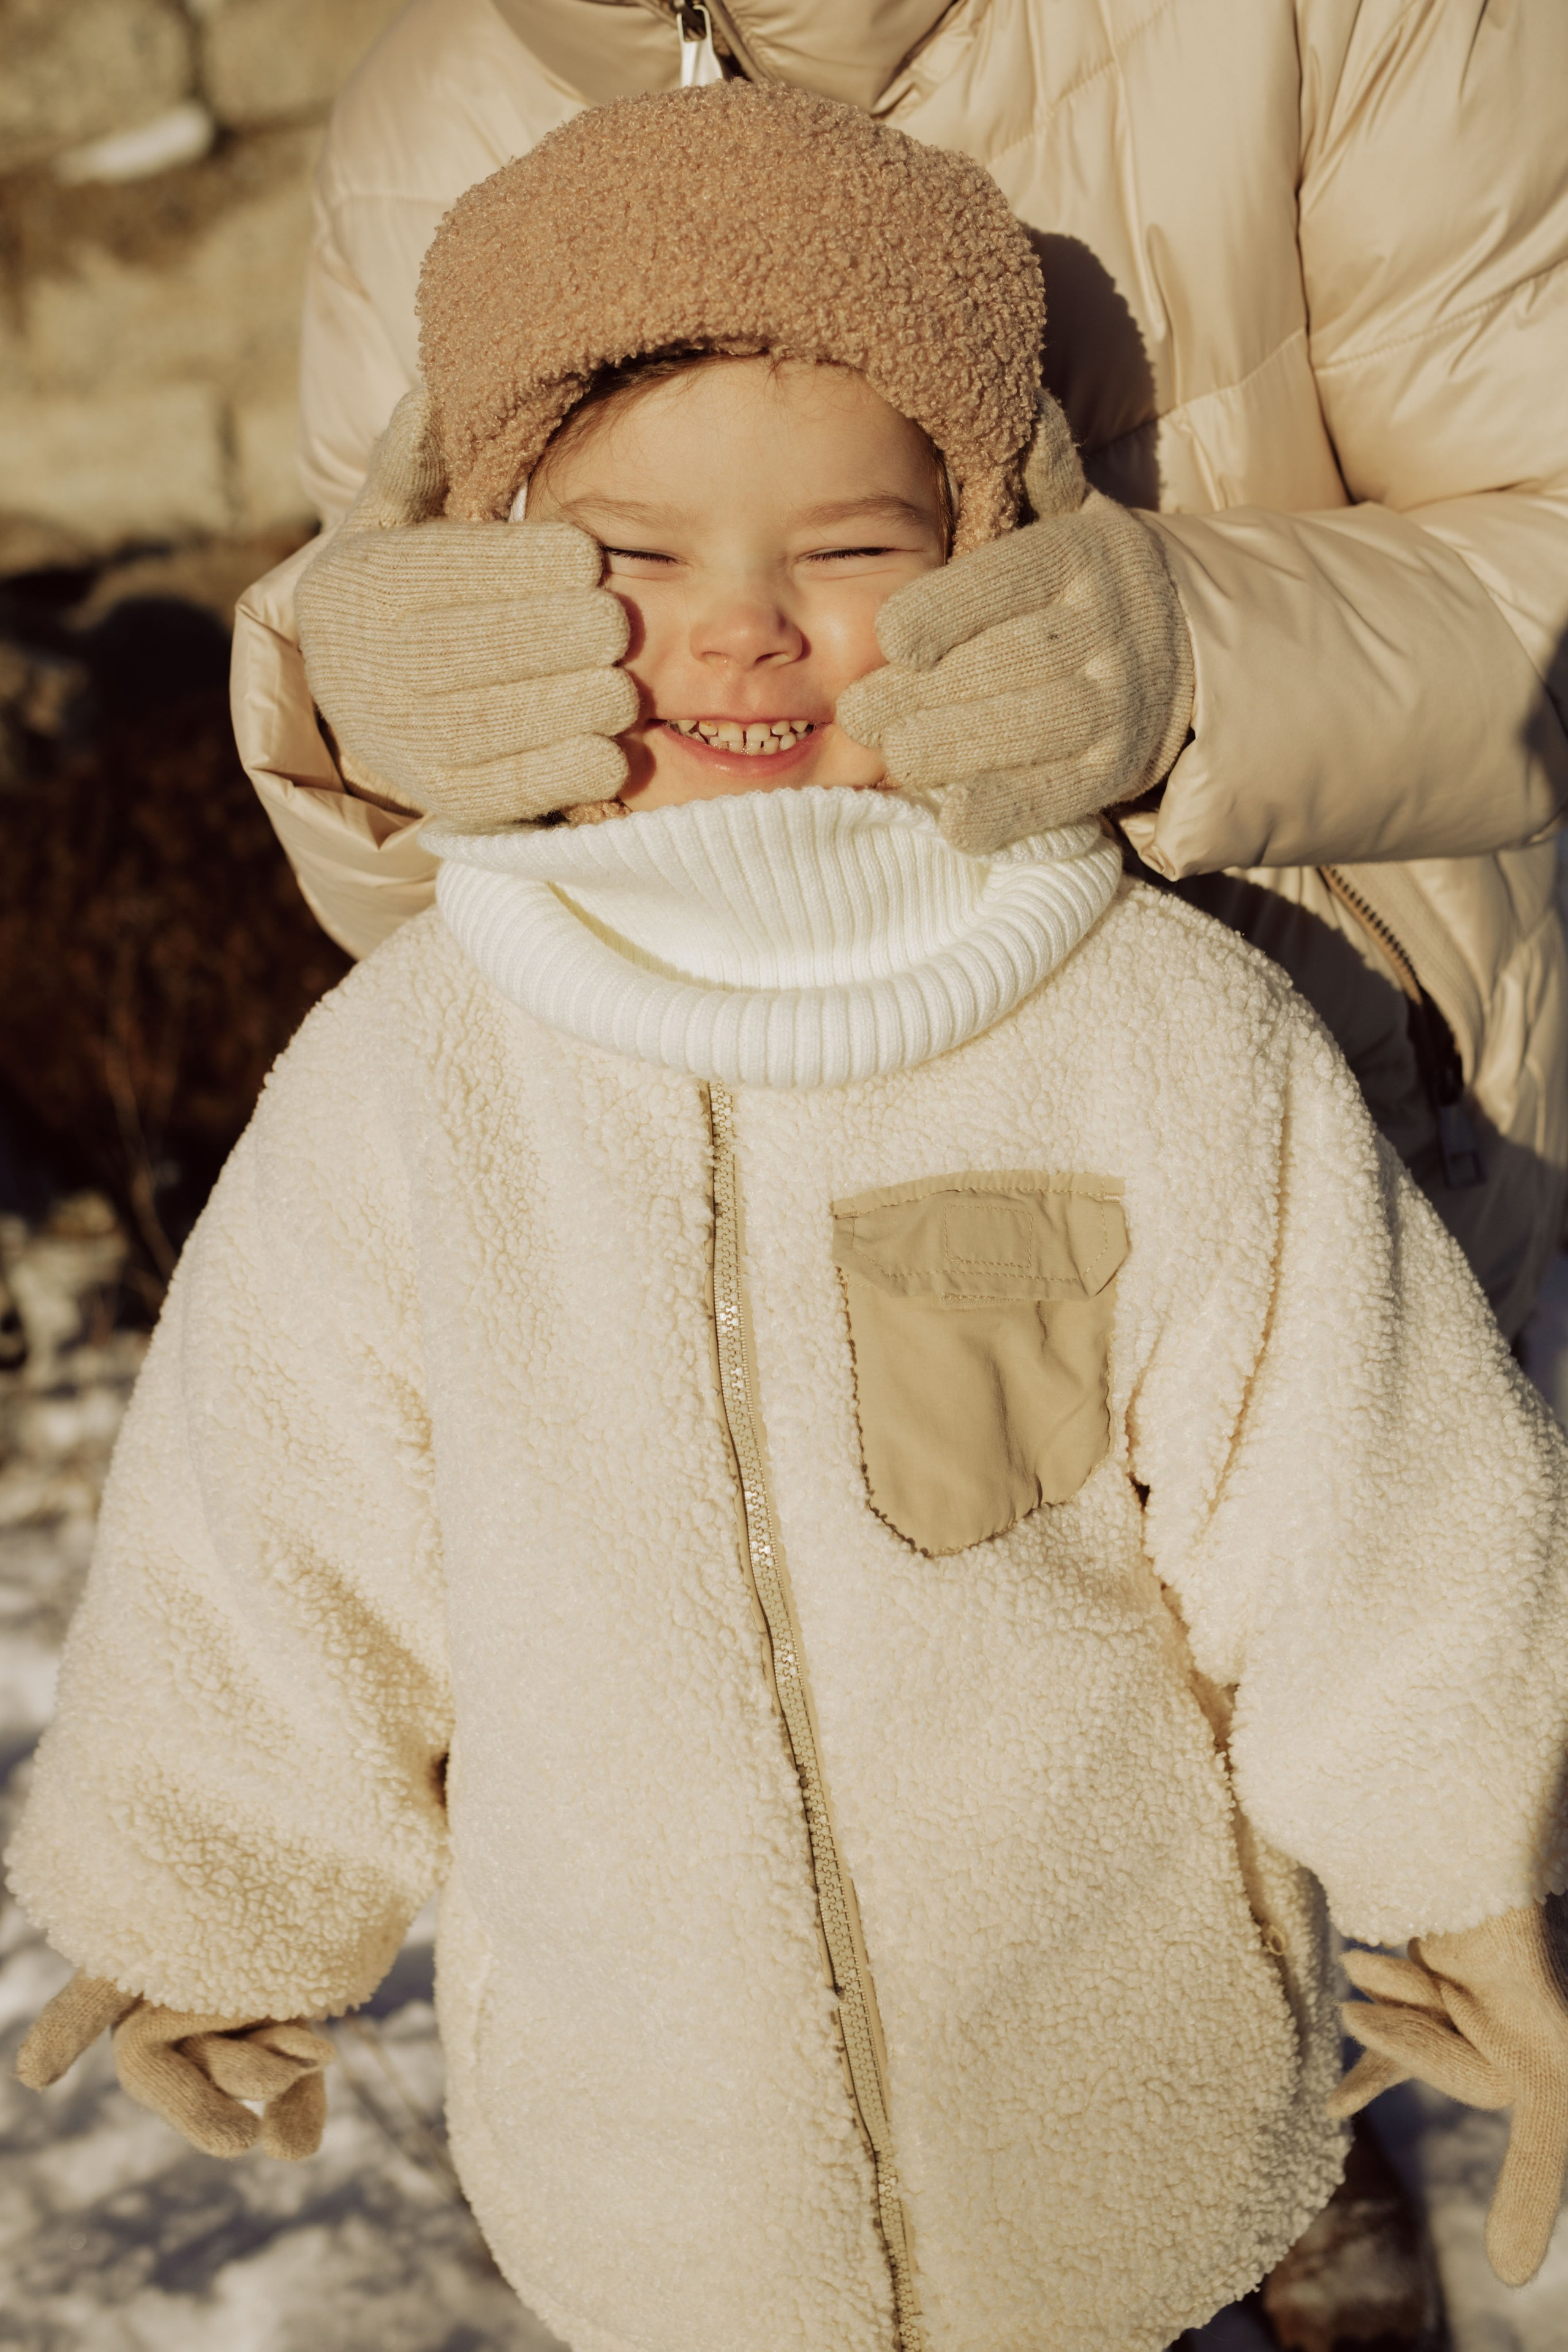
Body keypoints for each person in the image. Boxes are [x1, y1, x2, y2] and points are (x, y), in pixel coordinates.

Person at [10, 89, 1568, 2352]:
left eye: (847, 552)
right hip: (652, 2195)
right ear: (481, 562)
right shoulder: (422, 1074)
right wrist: (212, 1898)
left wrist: (1489, 1862)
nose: (741, 636)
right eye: (629, 562)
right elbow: (281, 1519)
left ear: (995, 548)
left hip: (1129, 2136)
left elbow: (1364, 1499)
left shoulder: (1151, 1031)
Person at [230, 0, 1568, 1354]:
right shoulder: (425, 108)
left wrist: (1186, 663)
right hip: (647, 1301)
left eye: (851, 547)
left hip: (1353, 1179)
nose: (745, 631)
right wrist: (362, 735)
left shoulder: (1335, 22)